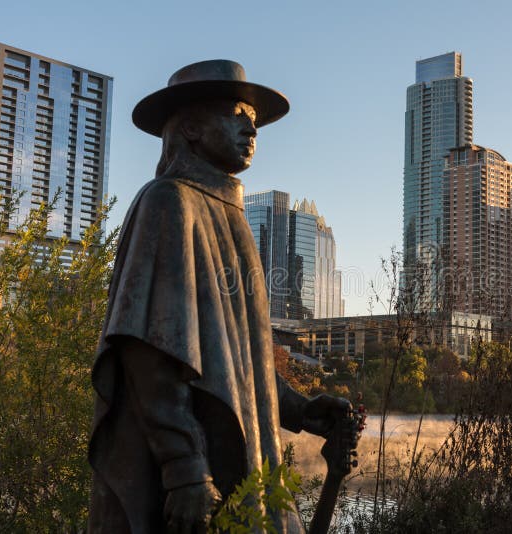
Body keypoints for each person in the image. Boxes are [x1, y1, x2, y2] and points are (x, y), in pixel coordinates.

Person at [88, 60, 347, 534]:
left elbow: (238, 359)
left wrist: (300, 408)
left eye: (253, 116)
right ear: (189, 126)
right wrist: (184, 466)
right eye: (235, 112)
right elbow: (146, 348)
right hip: (196, 481)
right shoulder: (169, 201)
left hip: (247, 469)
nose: (252, 127)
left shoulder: (232, 217)